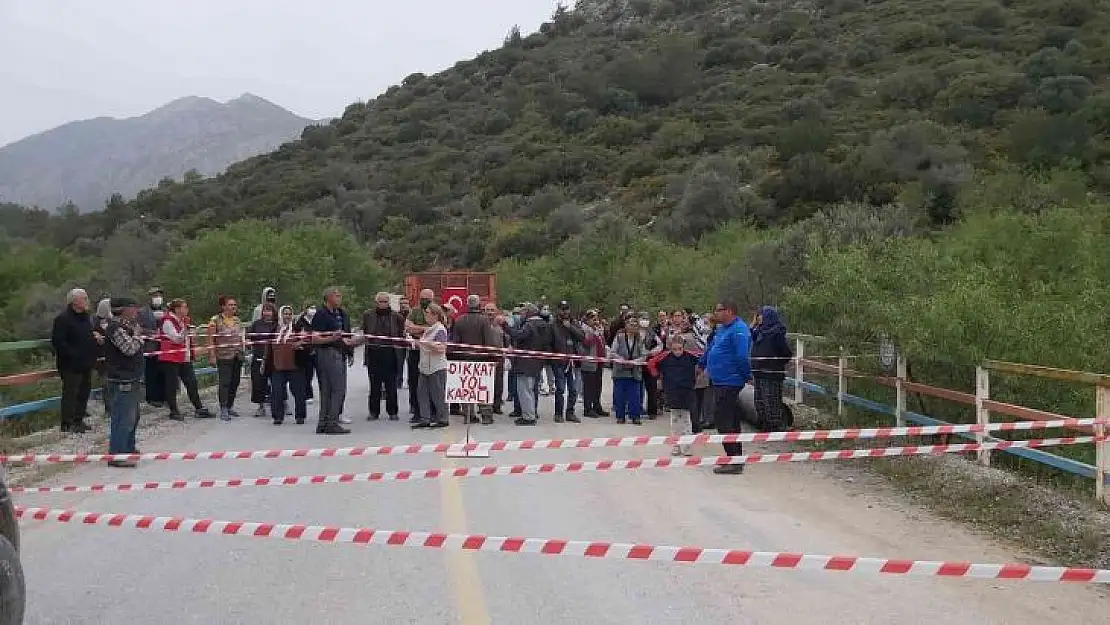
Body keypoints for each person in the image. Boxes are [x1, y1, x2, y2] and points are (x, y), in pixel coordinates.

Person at [699, 300, 752, 475]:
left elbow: (742, 357)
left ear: (729, 311)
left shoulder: (739, 330)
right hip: (719, 380)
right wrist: (702, 364)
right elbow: (711, 348)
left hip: (730, 381)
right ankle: (734, 458)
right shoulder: (722, 329)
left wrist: (744, 376)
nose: (715, 313)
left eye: (718, 310)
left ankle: (734, 459)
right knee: (730, 420)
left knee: (724, 421)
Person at [102, 297, 145, 468]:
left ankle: (129, 448)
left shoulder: (126, 327)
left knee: (133, 416)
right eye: (133, 307)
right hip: (121, 379)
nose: (136, 310)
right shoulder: (116, 328)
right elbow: (129, 349)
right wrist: (138, 337)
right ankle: (117, 454)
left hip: (131, 377)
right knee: (122, 417)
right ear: (124, 309)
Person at [51, 287, 98, 433]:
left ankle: (78, 420)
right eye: (83, 298)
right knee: (71, 394)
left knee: (84, 392)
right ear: (74, 301)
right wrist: (73, 354)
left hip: (86, 362)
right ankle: (67, 423)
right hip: (70, 365)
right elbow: (58, 341)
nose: (86, 300)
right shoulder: (63, 319)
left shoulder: (86, 317)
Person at [158, 298, 214, 420]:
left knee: (192, 383)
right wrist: (186, 330)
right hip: (170, 357)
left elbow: (186, 339)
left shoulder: (183, 320)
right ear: (177, 309)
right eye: (184, 307)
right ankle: (174, 411)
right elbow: (176, 338)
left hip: (184, 356)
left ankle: (199, 408)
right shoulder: (167, 321)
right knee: (172, 385)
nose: (187, 309)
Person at [311, 286, 356, 435]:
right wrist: (332, 338)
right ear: (328, 298)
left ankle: (323, 422)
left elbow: (346, 335)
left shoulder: (341, 313)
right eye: (336, 295)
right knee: (337, 389)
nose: (339, 298)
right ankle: (332, 423)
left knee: (329, 390)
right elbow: (315, 338)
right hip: (328, 353)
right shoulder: (321, 314)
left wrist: (351, 348)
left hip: (340, 352)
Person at [648, 335, 701, 456]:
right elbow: (651, 363)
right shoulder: (665, 356)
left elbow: (704, 359)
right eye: (675, 349)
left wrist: (699, 373)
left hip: (687, 392)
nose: (677, 352)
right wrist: (657, 376)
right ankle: (676, 446)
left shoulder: (691, 356)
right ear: (671, 347)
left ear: (683, 347)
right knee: (675, 420)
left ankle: (687, 447)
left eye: (680, 349)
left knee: (687, 420)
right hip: (672, 392)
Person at [451, 294, 499, 425]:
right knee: (482, 387)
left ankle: (468, 415)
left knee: (467, 388)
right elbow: (489, 342)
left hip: (463, 359)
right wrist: (493, 356)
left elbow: (455, 343)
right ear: (479, 305)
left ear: (467, 305)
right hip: (481, 359)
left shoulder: (459, 320)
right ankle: (486, 416)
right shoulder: (484, 321)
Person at [508, 303, 556, 426]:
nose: (521, 315)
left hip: (526, 362)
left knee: (524, 390)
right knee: (531, 389)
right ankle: (531, 413)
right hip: (537, 362)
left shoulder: (529, 325)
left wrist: (505, 325)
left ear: (529, 312)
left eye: (523, 312)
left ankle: (528, 417)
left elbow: (518, 336)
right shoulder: (544, 325)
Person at [362, 291, 405, 421]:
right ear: (376, 302)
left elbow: (401, 334)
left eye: (385, 301)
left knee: (391, 384)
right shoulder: (368, 315)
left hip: (390, 353)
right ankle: (373, 412)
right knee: (374, 385)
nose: (383, 304)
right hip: (374, 352)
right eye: (380, 301)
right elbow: (365, 332)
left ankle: (392, 411)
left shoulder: (396, 317)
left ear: (389, 303)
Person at [750, 306, 794, 431]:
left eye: (761, 315)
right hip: (758, 372)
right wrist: (752, 325)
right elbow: (751, 336)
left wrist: (774, 363)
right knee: (760, 402)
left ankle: (776, 427)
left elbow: (786, 353)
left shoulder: (776, 333)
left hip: (771, 373)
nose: (759, 318)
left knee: (771, 402)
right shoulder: (760, 331)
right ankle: (765, 425)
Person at [266, 305, 309, 425]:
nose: (287, 316)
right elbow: (268, 346)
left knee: (299, 392)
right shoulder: (274, 329)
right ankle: (277, 416)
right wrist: (266, 363)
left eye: (289, 314)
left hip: (295, 366)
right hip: (277, 366)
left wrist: (300, 343)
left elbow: (307, 341)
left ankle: (300, 416)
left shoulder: (297, 328)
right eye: (285, 313)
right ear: (281, 315)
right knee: (277, 392)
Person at [412, 304, 450, 429]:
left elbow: (441, 348)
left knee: (438, 394)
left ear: (435, 315)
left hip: (436, 367)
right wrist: (416, 343)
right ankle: (425, 418)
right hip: (424, 366)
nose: (425, 315)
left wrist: (425, 343)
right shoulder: (429, 329)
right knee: (422, 393)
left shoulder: (440, 329)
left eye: (427, 313)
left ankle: (443, 418)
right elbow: (424, 345)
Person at [207, 295, 245, 421]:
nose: (233, 307)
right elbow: (210, 339)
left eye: (235, 305)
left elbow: (241, 336)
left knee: (235, 381)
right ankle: (223, 407)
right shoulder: (215, 320)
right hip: (223, 356)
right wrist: (211, 355)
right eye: (230, 305)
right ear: (223, 306)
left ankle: (230, 406)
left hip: (237, 355)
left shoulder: (237, 320)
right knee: (225, 382)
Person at [404, 288, 436, 424]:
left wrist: (418, 329)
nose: (424, 301)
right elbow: (408, 327)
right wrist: (425, 329)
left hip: (431, 352)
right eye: (422, 298)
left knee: (433, 383)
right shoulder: (414, 311)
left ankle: (433, 412)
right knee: (414, 382)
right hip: (415, 351)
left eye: (427, 299)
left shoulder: (437, 311)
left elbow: (438, 329)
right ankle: (416, 411)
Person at [610, 316, 648, 425]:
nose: (633, 327)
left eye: (636, 325)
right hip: (620, 371)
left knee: (635, 396)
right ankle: (620, 416)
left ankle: (635, 416)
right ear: (626, 326)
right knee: (619, 396)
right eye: (631, 324)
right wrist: (621, 359)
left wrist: (636, 361)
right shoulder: (619, 337)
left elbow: (644, 355)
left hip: (634, 372)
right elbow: (612, 352)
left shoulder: (640, 339)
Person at [550, 300, 583, 423]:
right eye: (562, 309)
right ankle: (558, 413)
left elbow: (582, 336)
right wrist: (553, 358)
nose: (565, 311)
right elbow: (548, 343)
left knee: (573, 389)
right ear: (558, 310)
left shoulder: (574, 323)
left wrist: (571, 327)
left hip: (572, 361)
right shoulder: (552, 325)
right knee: (560, 388)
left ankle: (570, 412)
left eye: (567, 309)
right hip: (558, 362)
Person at [137, 287, 168, 408]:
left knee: (163, 372)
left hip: (165, 347)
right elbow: (138, 328)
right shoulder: (142, 312)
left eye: (159, 295)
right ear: (149, 297)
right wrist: (152, 333)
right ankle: (152, 397)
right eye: (155, 295)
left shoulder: (166, 310)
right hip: (150, 347)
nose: (157, 298)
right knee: (151, 372)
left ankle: (164, 396)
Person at [248, 304, 278, 417]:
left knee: (277, 383)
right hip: (259, 356)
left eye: (269, 311)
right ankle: (260, 406)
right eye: (265, 311)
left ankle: (281, 403)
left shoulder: (278, 324)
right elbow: (250, 337)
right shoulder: (257, 324)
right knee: (258, 382)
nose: (267, 313)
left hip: (274, 357)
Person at [579, 309, 609, 417]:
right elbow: (585, 344)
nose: (596, 320)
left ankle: (597, 406)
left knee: (598, 385)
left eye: (596, 318)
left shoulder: (597, 329)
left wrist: (602, 332)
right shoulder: (584, 329)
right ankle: (588, 408)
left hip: (599, 361)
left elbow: (603, 343)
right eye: (593, 318)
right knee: (589, 386)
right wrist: (594, 335)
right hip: (589, 362)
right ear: (587, 319)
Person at [294, 303, 317, 402]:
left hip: (315, 350)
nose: (313, 310)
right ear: (306, 309)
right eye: (311, 308)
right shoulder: (300, 321)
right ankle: (307, 394)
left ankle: (308, 392)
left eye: (314, 308)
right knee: (306, 374)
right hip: (303, 350)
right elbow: (296, 334)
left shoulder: (316, 321)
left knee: (312, 373)